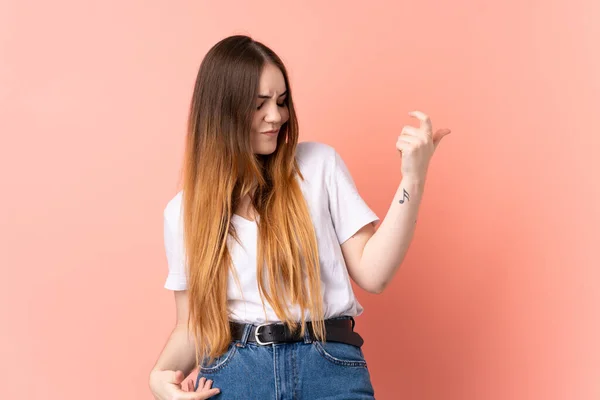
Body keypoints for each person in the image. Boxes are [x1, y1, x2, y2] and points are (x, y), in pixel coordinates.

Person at [149, 34, 451, 400]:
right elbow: (192, 326)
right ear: (222, 112)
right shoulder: (183, 213)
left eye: (281, 101)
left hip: (329, 369)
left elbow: (374, 274)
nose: (276, 116)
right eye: (259, 104)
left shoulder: (319, 166)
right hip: (235, 377)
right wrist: (159, 377)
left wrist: (412, 178)